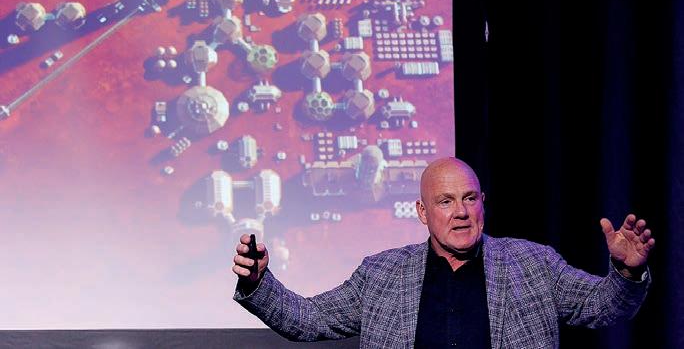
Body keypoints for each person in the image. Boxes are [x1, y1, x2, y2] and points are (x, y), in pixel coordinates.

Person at [232, 157, 654, 348]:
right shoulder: (382, 274)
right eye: (446, 201)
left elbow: (600, 307)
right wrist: (258, 282)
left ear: (483, 203)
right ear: (422, 212)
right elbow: (309, 320)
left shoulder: (533, 264)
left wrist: (626, 272)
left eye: (469, 199)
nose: (461, 213)